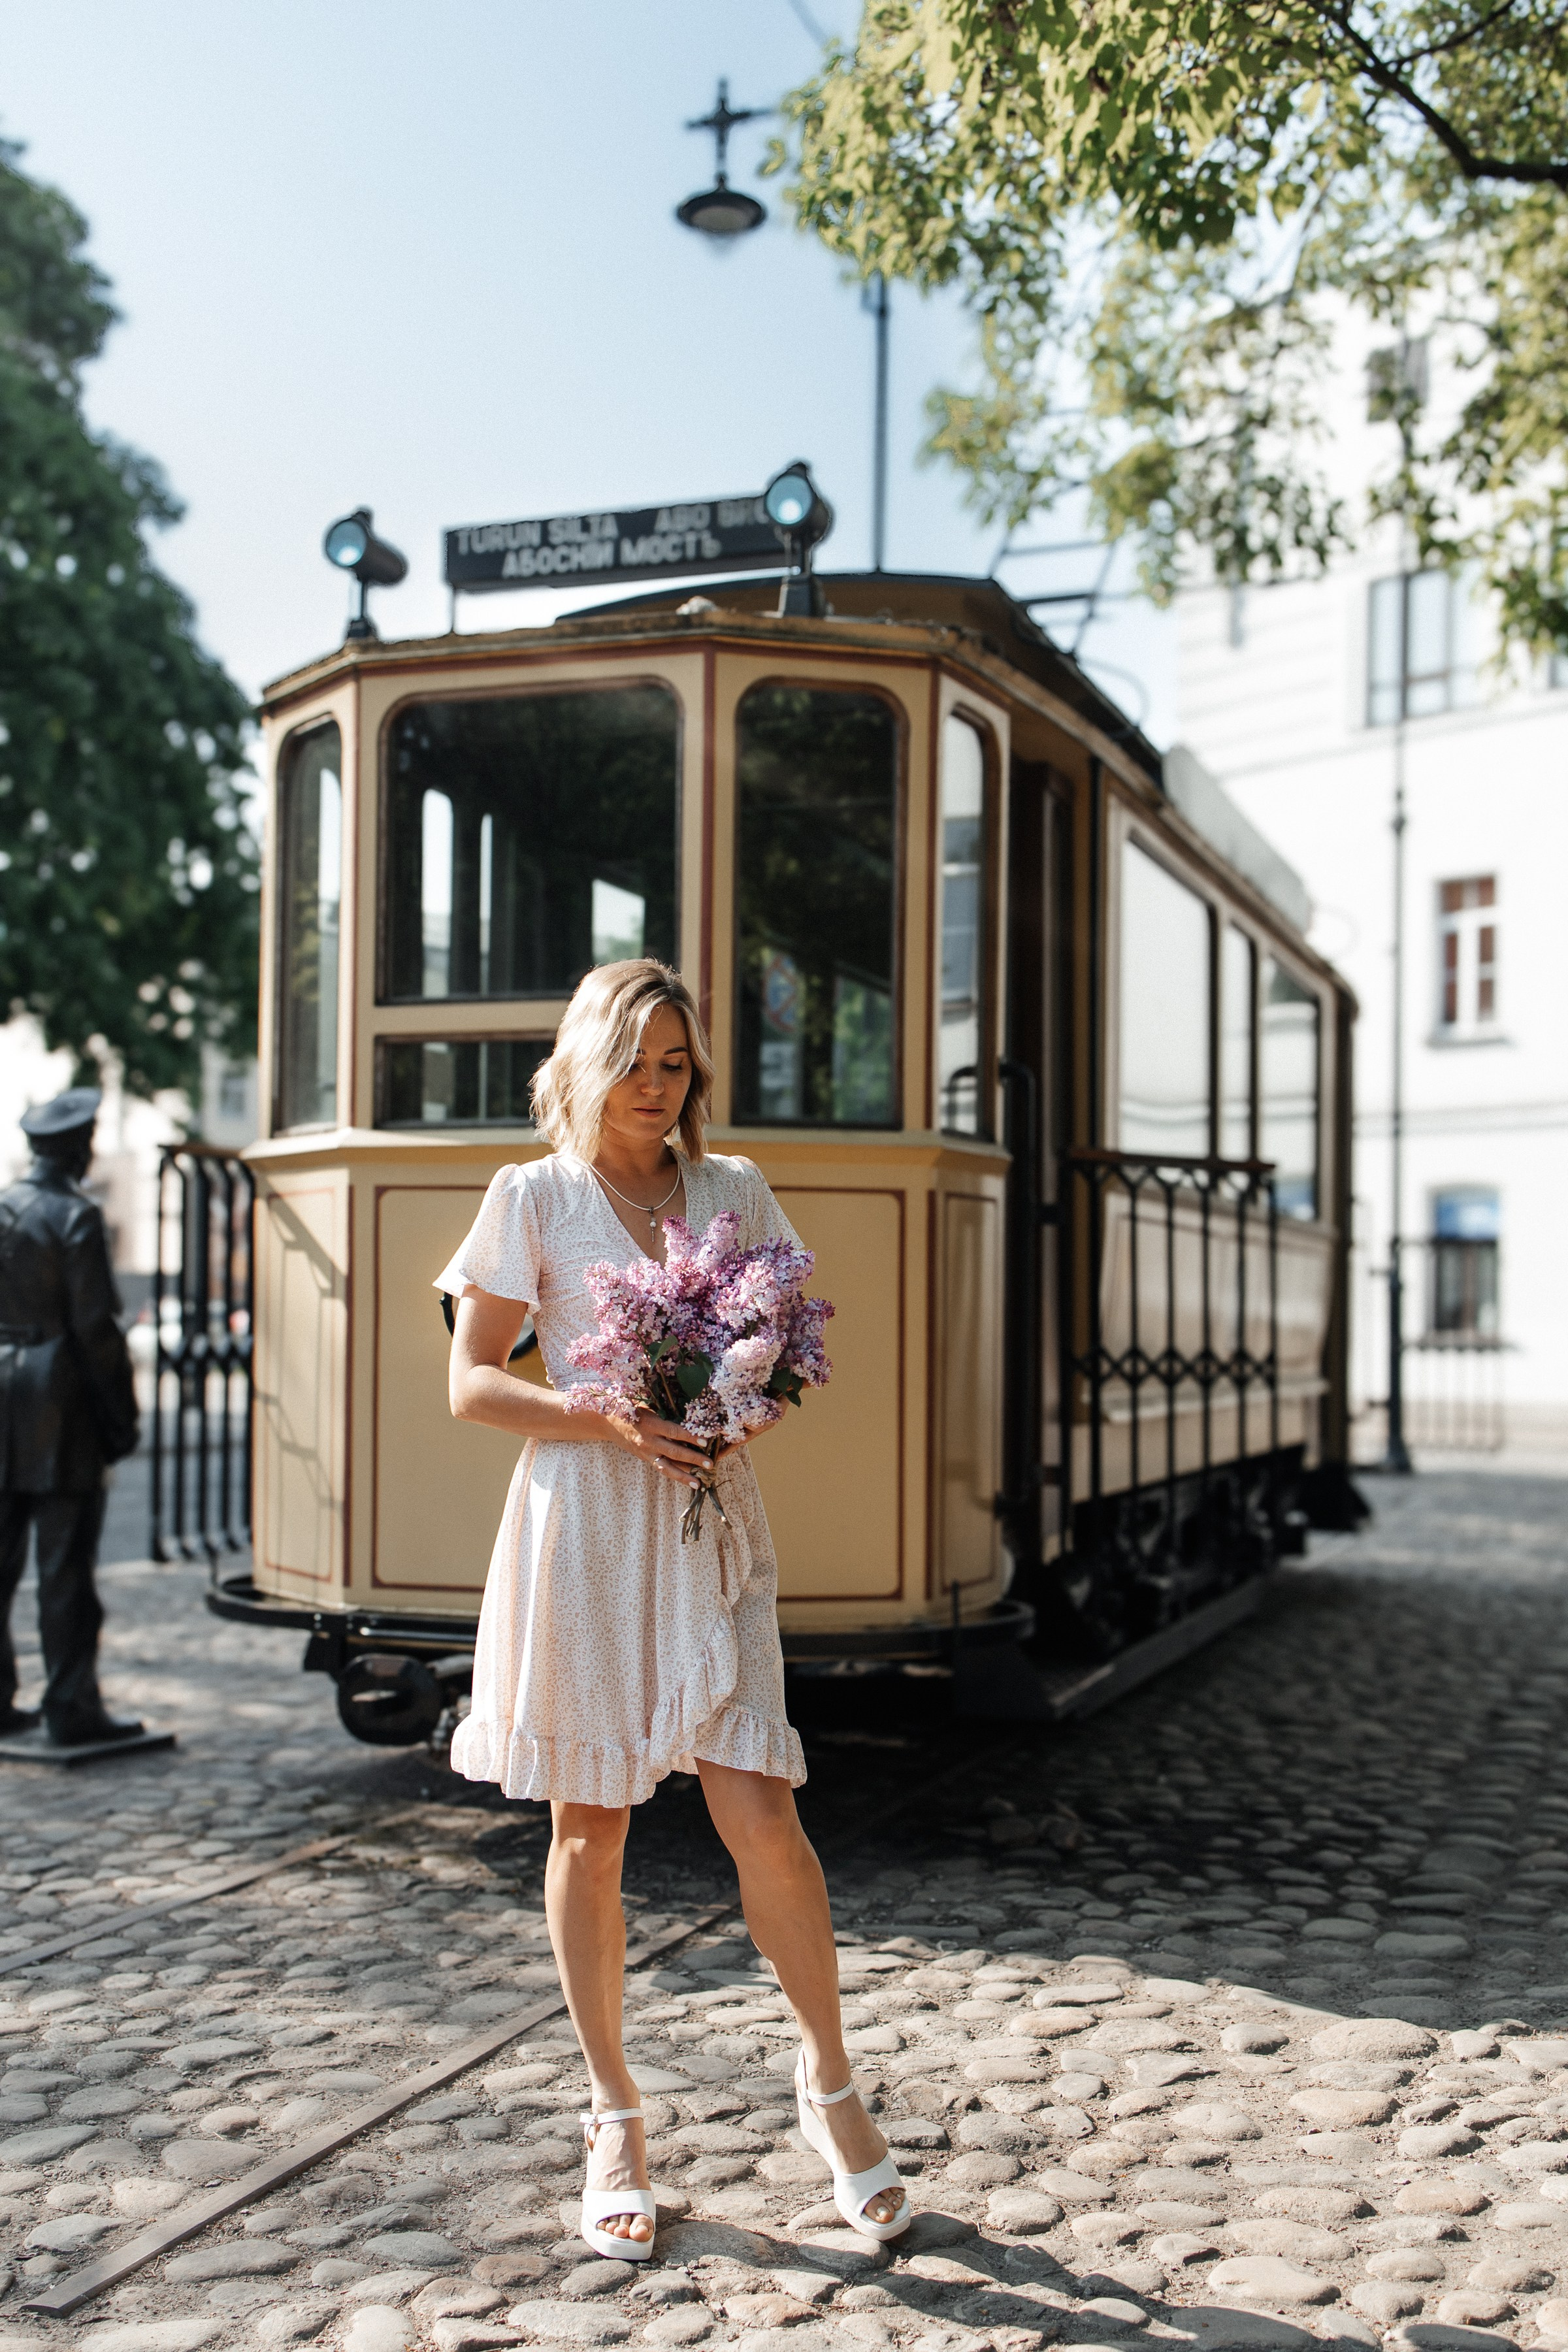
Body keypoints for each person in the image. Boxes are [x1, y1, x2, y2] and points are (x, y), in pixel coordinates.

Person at [436, 960, 907, 2260]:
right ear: (587, 1064)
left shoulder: (733, 1187)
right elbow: (471, 1382)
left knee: (765, 1816)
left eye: (677, 1064)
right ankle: (613, 2117)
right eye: (637, 1062)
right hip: (585, 1528)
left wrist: (744, 1407)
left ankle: (831, 2084)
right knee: (590, 1832)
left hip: (709, 1526)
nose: (658, 1086)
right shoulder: (532, 1197)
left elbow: (783, 1347)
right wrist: (608, 1415)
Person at [0, 1086, 142, 1746]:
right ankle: (70, 1707)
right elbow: (95, 1330)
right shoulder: (74, 1217)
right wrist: (122, 1417)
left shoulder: (4, 1208)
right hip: (57, 1408)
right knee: (64, 1571)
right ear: (79, 1149)